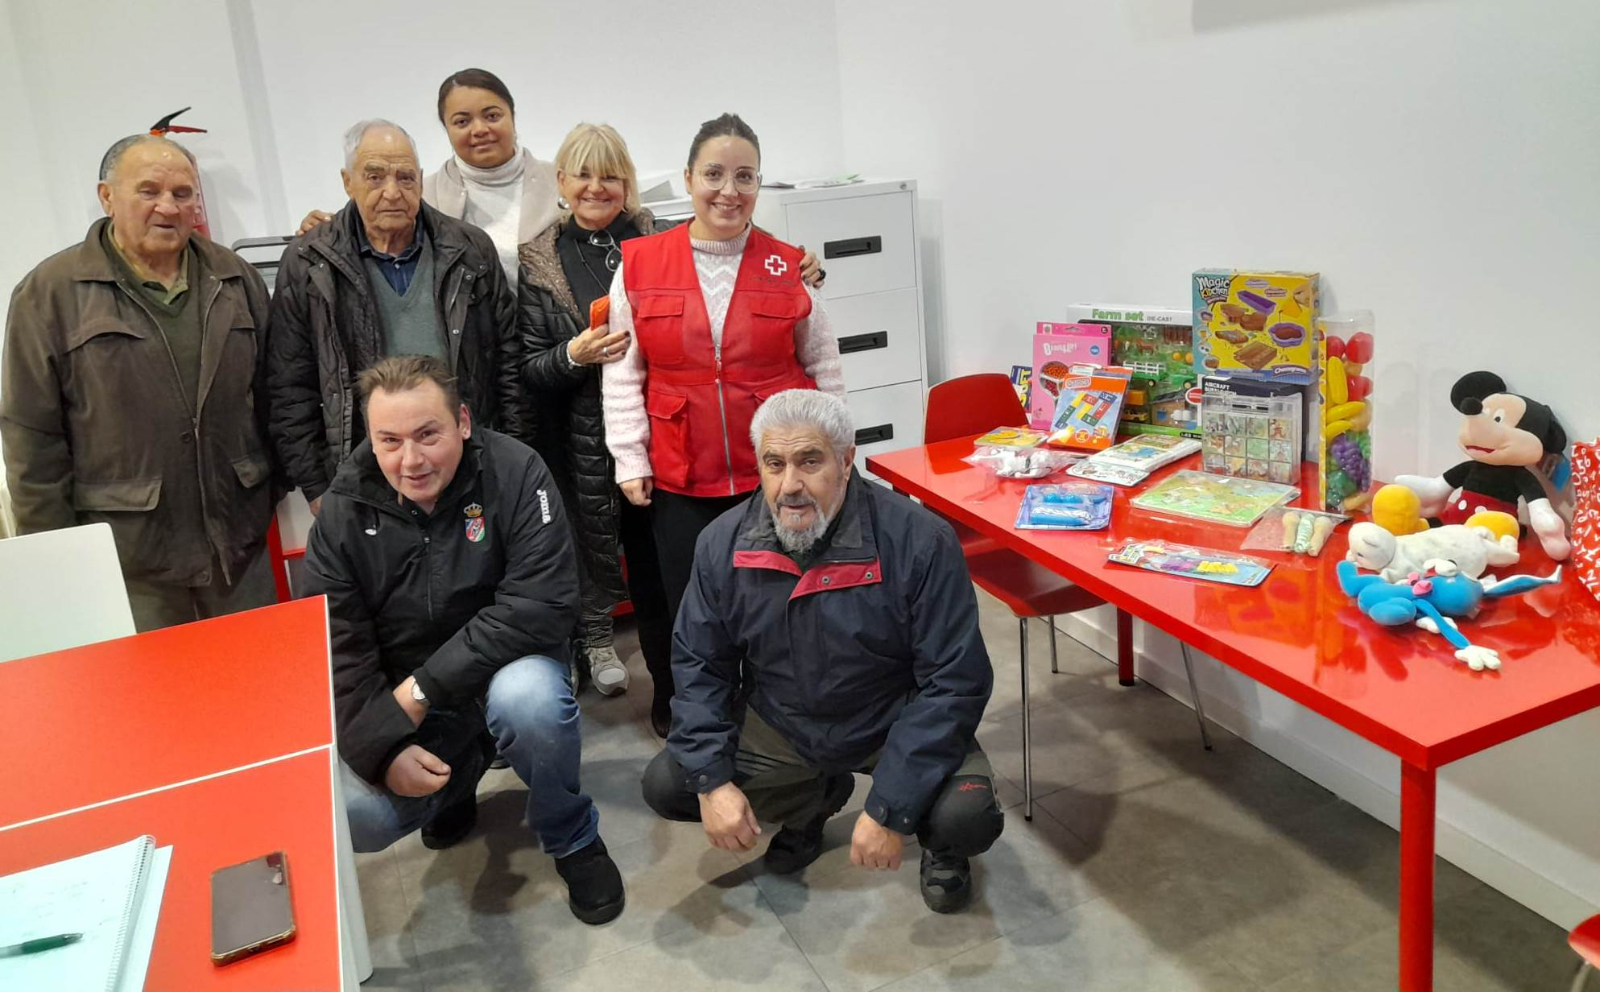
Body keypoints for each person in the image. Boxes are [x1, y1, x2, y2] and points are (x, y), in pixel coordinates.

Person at [640, 390, 1004, 913]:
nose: (790, 485)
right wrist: (712, 781)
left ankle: (940, 847)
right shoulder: (722, 545)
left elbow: (954, 682)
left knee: (964, 817)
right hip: (783, 719)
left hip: (893, 718)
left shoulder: (919, 540)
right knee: (673, 783)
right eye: (774, 463)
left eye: (810, 461)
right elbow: (699, 666)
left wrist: (889, 811)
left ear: (846, 458)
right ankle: (810, 803)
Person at [303, 355, 623, 925]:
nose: (412, 460)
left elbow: (540, 605)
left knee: (531, 705)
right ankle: (458, 780)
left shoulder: (518, 471)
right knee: (356, 814)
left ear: (464, 423)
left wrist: (419, 692)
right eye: (391, 441)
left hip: (508, 665)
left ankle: (572, 834)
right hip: (415, 689)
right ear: (371, 441)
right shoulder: (342, 513)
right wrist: (384, 745)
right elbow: (336, 647)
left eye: (429, 434)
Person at [601, 113, 845, 730]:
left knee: (776, 596)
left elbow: (824, 368)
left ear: (760, 185)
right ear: (688, 179)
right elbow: (624, 372)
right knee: (684, 602)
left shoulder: (790, 266)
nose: (728, 191)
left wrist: (837, 457)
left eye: (744, 176)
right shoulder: (640, 263)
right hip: (678, 471)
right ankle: (690, 708)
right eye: (714, 174)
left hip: (774, 473)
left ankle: (773, 710)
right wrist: (629, 456)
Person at [1, 134, 278, 631]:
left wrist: (262, 486)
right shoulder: (49, 295)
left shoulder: (234, 278)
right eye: (148, 191)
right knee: (150, 699)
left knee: (257, 687)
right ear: (107, 196)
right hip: (127, 558)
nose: (168, 207)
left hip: (237, 548)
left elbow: (272, 395)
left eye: (182, 193)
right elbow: (31, 436)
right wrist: (56, 553)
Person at [266, 119, 519, 514]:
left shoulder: (470, 250)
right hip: (361, 478)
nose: (392, 192)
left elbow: (508, 366)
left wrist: (511, 461)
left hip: (468, 466)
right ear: (348, 182)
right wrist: (318, 488)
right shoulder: (308, 264)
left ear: (419, 180)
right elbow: (288, 387)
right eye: (374, 176)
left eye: (404, 177)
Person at [512, 123, 667, 707]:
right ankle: (597, 640)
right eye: (583, 173)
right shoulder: (541, 259)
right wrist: (573, 354)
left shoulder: (663, 240)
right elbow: (528, 368)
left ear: (627, 183)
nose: (596, 187)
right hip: (580, 434)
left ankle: (674, 671)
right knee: (590, 542)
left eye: (610, 174)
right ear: (561, 182)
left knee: (657, 552)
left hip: (660, 427)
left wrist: (805, 263)